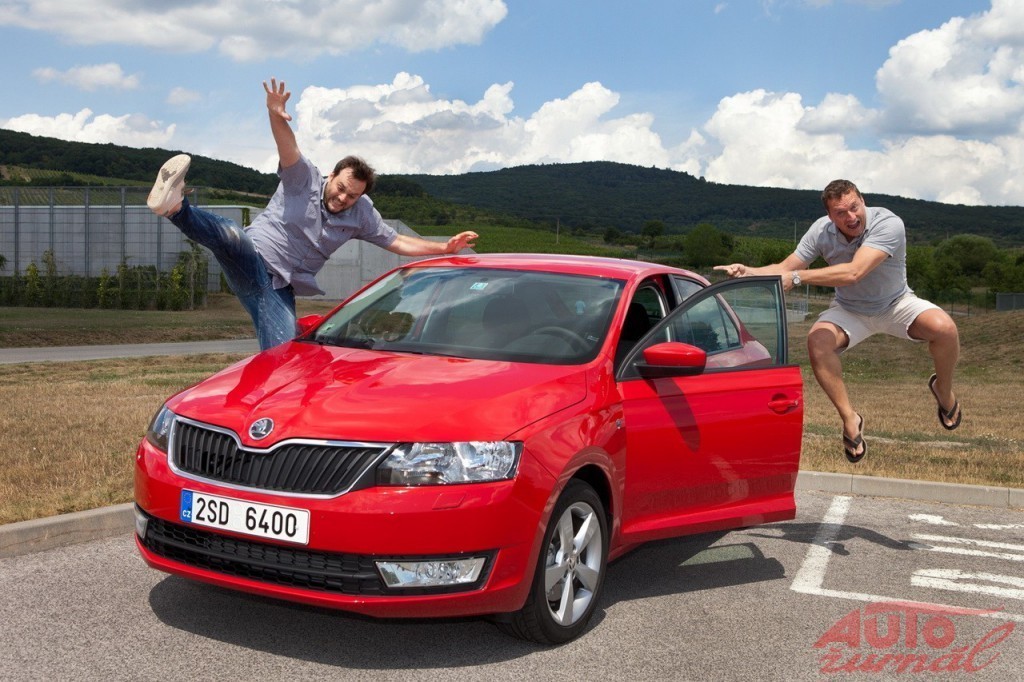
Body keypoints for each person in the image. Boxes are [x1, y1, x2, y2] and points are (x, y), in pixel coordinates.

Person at [147, 77, 478, 350]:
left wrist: (444, 248)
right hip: (254, 256)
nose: (343, 198)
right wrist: (276, 115)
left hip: (278, 288)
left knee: (282, 354)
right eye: (341, 188)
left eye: (352, 195)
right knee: (231, 237)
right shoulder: (303, 179)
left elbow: (397, 242)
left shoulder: (361, 214)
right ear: (331, 175)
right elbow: (288, 147)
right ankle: (176, 207)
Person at [714, 179, 961, 463]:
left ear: (863, 200)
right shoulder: (821, 230)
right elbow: (784, 268)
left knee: (945, 329)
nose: (851, 217)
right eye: (841, 213)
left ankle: (943, 391)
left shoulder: (888, 223)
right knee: (817, 342)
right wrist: (749, 271)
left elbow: (853, 273)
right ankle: (850, 418)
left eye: (854, 207)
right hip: (849, 309)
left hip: (895, 303)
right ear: (830, 216)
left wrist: (798, 278)